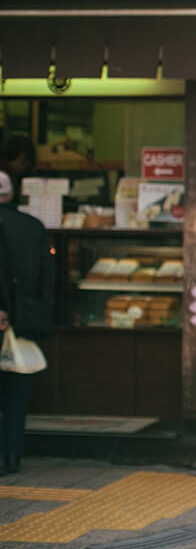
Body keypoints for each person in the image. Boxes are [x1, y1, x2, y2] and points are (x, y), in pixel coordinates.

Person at [0, 171, 54, 475]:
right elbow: (48, 279)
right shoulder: (34, 228)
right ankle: (12, 454)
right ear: (14, 193)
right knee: (17, 389)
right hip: (25, 318)